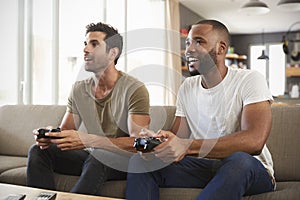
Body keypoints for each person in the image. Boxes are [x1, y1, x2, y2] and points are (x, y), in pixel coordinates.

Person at [126, 19, 275, 200]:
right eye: (188, 43)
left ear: (221, 48)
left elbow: (254, 141)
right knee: (139, 163)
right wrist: (159, 144)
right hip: (203, 167)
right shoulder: (187, 87)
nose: (188, 50)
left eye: (199, 42)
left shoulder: (250, 80)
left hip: (250, 170)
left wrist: (187, 147)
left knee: (239, 160)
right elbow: (178, 137)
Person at [27, 22, 150, 195]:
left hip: (122, 161)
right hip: (92, 156)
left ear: (112, 53)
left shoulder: (134, 89)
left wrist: (90, 141)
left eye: (94, 44)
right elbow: (67, 132)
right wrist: (50, 136)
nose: (85, 50)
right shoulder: (79, 89)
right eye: (85, 44)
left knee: (99, 156)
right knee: (39, 151)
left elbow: (139, 144)